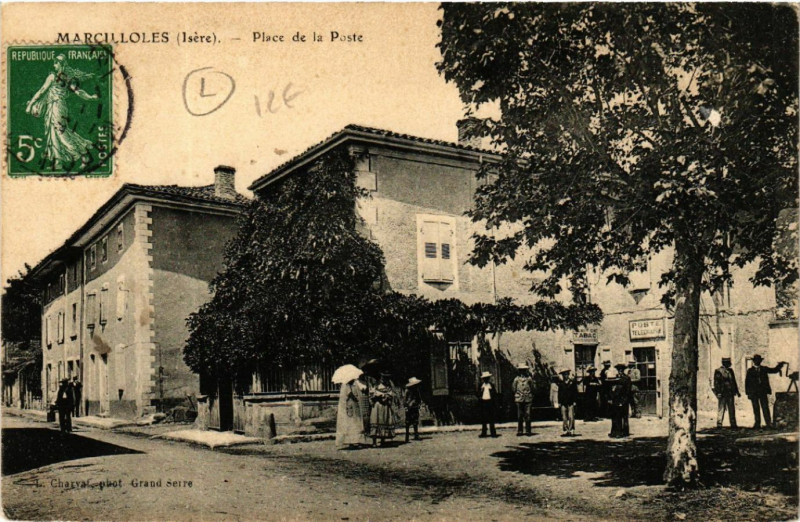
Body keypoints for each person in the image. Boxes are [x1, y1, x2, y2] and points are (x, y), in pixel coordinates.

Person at [25, 54, 99, 170]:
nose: (54, 65)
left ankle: (83, 155)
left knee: (61, 132)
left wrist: (30, 104)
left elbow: (42, 91)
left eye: (56, 63)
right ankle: (58, 161)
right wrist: (90, 97)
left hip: (58, 107)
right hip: (53, 106)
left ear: (61, 64)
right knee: (53, 133)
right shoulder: (65, 77)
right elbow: (77, 91)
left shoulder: (55, 77)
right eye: (54, 63)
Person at [744, 355, 786, 429]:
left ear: (761, 361)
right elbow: (747, 383)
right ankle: (757, 424)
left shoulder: (764, 369)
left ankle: (768, 424)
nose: (758, 361)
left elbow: (774, 370)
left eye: (759, 360)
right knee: (756, 408)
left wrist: (780, 365)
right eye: (756, 360)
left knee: (765, 408)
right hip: (754, 393)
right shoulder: (750, 371)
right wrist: (748, 393)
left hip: (762, 392)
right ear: (754, 361)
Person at [335, 377, 369, 449]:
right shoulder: (345, 385)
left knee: (355, 423)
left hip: (354, 407)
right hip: (348, 407)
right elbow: (350, 394)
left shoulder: (353, 384)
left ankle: (355, 441)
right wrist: (355, 398)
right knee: (349, 424)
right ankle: (350, 441)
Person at [369, 372, 397, 446]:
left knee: (384, 421)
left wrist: (387, 397)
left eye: (385, 378)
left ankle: (382, 439)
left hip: (385, 406)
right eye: (382, 378)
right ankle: (374, 442)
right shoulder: (375, 386)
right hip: (377, 405)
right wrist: (377, 396)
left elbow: (391, 395)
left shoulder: (388, 387)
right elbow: (371, 395)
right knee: (375, 421)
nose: (383, 379)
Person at [713, 357, 740, 428]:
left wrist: (737, 392)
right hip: (722, 393)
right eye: (728, 363)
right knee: (721, 408)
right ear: (724, 363)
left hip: (730, 393)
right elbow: (716, 383)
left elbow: (734, 382)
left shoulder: (731, 371)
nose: (729, 364)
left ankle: (733, 424)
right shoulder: (718, 371)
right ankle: (719, 423)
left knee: (731, 408)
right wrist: (718, 392)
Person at [609, 363, 631, 438]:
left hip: (623, 400)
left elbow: (627, 391)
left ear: (623, 370)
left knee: (624, 416)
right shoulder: (615, 378)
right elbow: (612, 388)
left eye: (621, 370)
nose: (620, 371)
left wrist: (623, 401)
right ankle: (614, 431)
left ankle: (623, 432)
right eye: (618, 370)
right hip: (615, 399)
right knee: (615, 416)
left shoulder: (627, 378)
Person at [512, 364, 534, 436]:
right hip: (519, 399)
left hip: (528, 399)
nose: (522, 372)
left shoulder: (529, 379)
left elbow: (532, 387)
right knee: (520, 415)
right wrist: (518, 394)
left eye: (524, 370)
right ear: (519, 371)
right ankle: (520, 430)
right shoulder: (516, 379)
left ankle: (528, 430)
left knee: (528, 415)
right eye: (521, 370)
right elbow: (513, 388)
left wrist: (529, 394)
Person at [557, 368, 579, 436]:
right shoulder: (561, 383)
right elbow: (559, 393)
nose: (565, 376)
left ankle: (571, 429)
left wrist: (575, 401)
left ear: (568, 374)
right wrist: (559, 402)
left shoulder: (572, 382)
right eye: (564, 374)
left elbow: (575, 392)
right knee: (564, 417)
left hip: (571, 401)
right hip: (563, 402)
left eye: (566, 374)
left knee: (571, 416)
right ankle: (565, 430)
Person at [478, 371, 498, 438]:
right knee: (483, 419)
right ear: (483, 379)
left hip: (490, 402)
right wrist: (480, 398)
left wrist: (494, 403)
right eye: (484, 378)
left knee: (491, 419)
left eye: (487, 378)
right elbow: (478, 393)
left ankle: (493, 433)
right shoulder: (481, 386)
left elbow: (494, 394)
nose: (486, 379)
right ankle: (484, 433)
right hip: (483, 402)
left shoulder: (491, 385)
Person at [404, 377, 423, 442]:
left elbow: (419, 398)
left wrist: (418, 404)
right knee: (407, 422)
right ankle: (407, 437)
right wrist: (406, 406)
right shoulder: (407, 391)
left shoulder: (417, 391)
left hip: (415, 407)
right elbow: (405, 400)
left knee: (415, 421)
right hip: (409, 408)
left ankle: (416, 435)